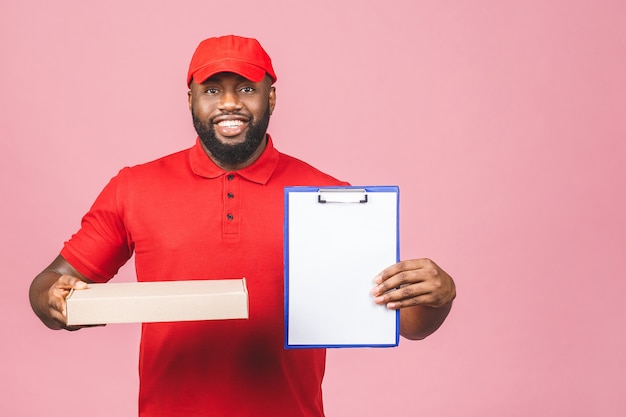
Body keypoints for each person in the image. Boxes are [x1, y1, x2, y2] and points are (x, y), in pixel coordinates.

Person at [29, 35, 456, 417]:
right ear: (190, 100)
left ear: (271, 99)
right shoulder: (133, 187)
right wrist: (53, 299)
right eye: (212, 90)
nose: (229, 103)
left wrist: (438, 297)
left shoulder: (328, 196)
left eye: (247, 90)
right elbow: (52, 284)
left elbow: (409, 323)